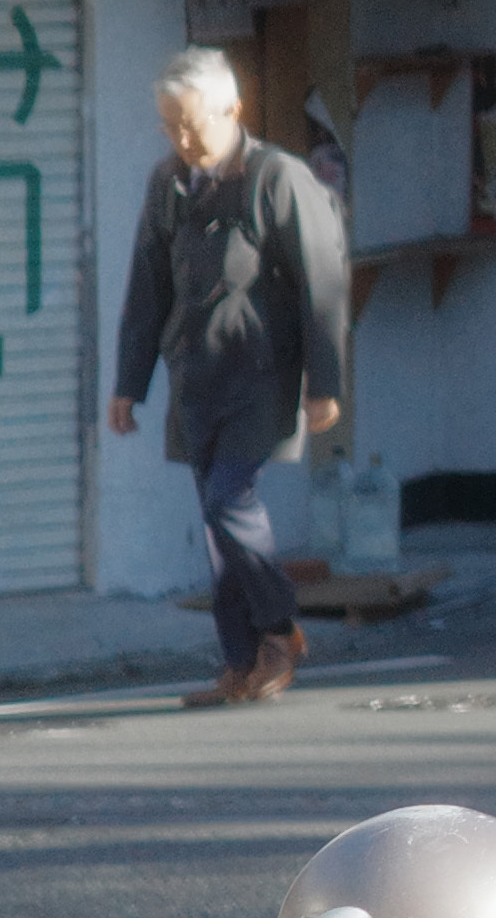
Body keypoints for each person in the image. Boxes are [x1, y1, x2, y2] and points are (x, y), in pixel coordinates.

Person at [108, 47, 353, 708]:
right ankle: (240, 660)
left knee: (228, 503)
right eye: (170, 127)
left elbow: (322, 283)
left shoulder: (278, 178)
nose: (181, 140)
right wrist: (129, 385)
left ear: (232, 111)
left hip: (262, 375)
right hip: (198, 377)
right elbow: (148, 287)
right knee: (216, 528)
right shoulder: (169, 184)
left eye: (191, 124)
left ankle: (278, 630)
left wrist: (324, 383)